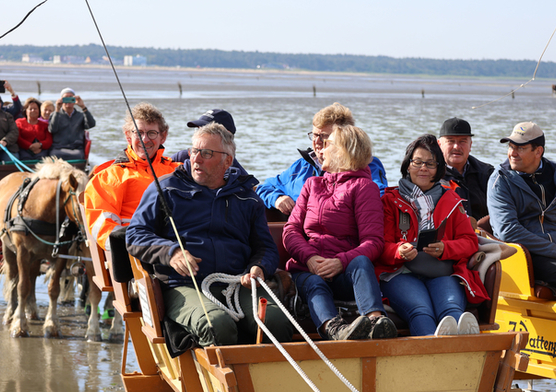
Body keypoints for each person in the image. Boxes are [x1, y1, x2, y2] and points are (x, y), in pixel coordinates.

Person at [126, 123, 294, 347]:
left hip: (237, 284)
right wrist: (172, 253)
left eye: (206, 153)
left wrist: (259, 268)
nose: (196, 159)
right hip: (183, 285)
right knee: (216, 324)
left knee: (277, 322)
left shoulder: (247, 199)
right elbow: (135, 235)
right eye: (194, 151)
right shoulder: (165, 189)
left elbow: (265, 248)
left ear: (227, 161)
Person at [282, 124, 395, 340]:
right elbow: (291, 231)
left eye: (327, 145)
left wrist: (341, 262)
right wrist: (310, 258)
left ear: (344, 152)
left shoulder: (364, 187)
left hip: (344, 274)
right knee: (314, 283)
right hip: (308, 269)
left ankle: (376, 322)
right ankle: (334, 330)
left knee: (361, 262)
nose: (320, 150)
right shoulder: (311, 185)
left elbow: (373, 242)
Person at [375, 134, 488, 336]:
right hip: (400, 273)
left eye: (430, 163)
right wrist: (398, 251)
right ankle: (432, 354)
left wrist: (446, 248)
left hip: (441, 270)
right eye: (417, 162)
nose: (423, 168)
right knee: (421, 311)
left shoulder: (451, 199)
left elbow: (470, 242)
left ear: (438, 169)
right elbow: (379, 245)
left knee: (451, 310)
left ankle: (461, 350)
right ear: (407, 165)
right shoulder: (390, 201)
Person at [487, 122, 556, 302]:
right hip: (526, 255)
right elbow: (508, 231)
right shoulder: (499, 181)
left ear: (538, 151)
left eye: (520, 148)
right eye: (510, 147)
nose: (512, 153)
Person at [256, 103, 388, 216]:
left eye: (324, 136)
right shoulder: (301, 167)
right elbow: (265, 188)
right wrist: (277, 198)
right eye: (314, 135)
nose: (317, 142)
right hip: (299, 237)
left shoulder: (365, 165)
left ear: (344, 139)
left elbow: (379, 198)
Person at [85, 102, 178, 250]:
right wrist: (142, 247)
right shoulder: (108, 178)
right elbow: (104, 229)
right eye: (138, 133)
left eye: (152, 133)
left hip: (182, 249)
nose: (145, 139)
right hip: (137, 256)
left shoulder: (178, 171)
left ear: (163, 136)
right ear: (128, 136)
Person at [438, 118, 494, 220]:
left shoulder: (487, 173)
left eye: (462, 141)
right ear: (439, 144)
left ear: (470, 145)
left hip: (483, 233)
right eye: (450, 141)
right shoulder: (430, 174)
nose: (457, 147)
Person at [169, 109, 246, 175]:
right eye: (198, 129)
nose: (196, 159)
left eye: (205, 130)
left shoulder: (238, 176)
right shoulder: (182, 157)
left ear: (226, 136)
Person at [49, 87, 96, 160]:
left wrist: (83, 107)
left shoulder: (80, 116)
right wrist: (57, 110)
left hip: (76, 148)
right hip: (58, 148)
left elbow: (91, 124)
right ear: (62, 100)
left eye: (71, 98)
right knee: (54, 155)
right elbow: (52, 130)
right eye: (66, 98)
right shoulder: (55, 115)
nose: (68, 101)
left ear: (74, 100)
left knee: (78, 156)